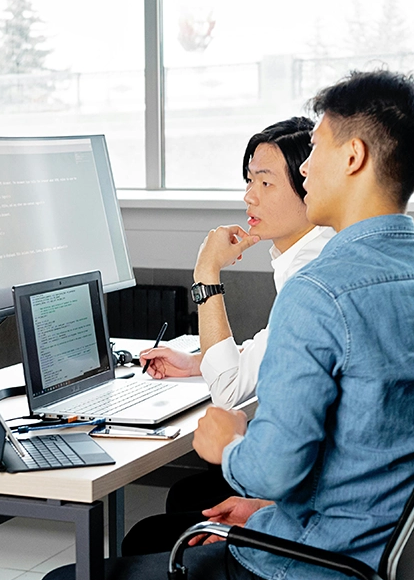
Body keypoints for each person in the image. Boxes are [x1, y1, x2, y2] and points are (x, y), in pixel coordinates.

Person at [30, 69, 414, 580]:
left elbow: (270, 469)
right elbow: (380, 450)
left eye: (317, 149)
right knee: (161, 537)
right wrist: (271, 511)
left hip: (308, 579)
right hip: (382, 566)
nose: (306, 168)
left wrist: (228, 445)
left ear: (353, 156)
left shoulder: (321, 291)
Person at [122, 118, 335, 553]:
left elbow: (230, 392)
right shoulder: (318, 254)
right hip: (318, 483)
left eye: (266, 182)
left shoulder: (311, 275)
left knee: (146, 536)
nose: (249, 196)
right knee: (186, 496)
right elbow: (274, 350)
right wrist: (198, 362)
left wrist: (207, 273)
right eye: (248, 180)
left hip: (310, 504)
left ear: (308, 185)